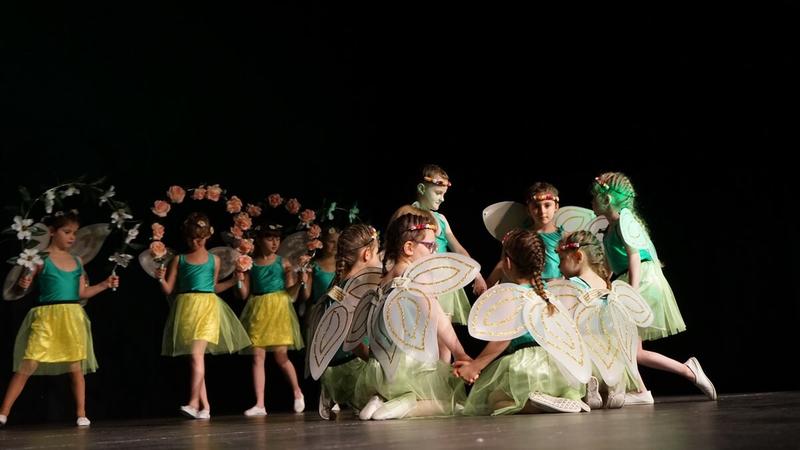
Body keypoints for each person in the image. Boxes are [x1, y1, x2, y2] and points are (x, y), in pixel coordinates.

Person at [591, 172, 716, 404]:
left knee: (626, 344)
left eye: (594, 196)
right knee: (632, 350)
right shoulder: (610, 229)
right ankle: (664, 381)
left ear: (607, 199)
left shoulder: (625, 223)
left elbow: (634, 257)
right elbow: (609, 266)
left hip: (643, 280)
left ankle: (648, 388)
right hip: (628, 281)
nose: (591, 200)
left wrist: (633, 293)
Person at [0, 212, 119, 427]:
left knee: (75, 366)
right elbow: (20, 287)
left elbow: (81, 293)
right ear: (53, 232)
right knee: (29, 362)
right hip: (46, 315)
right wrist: (22, 285)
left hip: (71, 316)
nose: (72, 237)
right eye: (67, 232)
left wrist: (104, 284)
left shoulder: (77, 260)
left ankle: (81, 413)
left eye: (74, 233)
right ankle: (3, 412)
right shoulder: (41, 258)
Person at [456, 229, 587, 415]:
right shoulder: (547, 294)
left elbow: (503, 339)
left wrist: (475, 366)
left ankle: (535, 405)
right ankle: (569, 397)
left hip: (527, 365)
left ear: (507, 263)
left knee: (494, 400)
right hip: (557, 366)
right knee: (555, 387)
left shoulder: (512, 295)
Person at [356, 212, 469, 420]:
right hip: (410, 369)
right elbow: (438, 318)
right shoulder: (416, 277)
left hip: (380, 371)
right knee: (454, 405)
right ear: (409, 248)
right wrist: (460, 353)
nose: (434, 252)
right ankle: (403, 405)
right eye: (430, 246)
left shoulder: (384, 279)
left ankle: (379, 399)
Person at [155, 212, 251, 420]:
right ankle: (205, 407)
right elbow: (168, 289)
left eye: (199, 238)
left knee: (197, 356)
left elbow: (213, 287)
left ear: (207, 237)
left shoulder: (214, 261)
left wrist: (234, 282)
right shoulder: (179, 260)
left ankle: (192, 402)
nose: (195, 242)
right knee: (195, 358)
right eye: (191, 238)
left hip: (208, 308)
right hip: (186, 309)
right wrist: (161, 280)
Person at [412, 164, 487, 361]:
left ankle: (442, 384)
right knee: (422, 338)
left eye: (444, 193)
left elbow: (458, 248)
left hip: (443, 283)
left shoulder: (442, 219)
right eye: (438, 192)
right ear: (421, 189)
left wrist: (476, 274)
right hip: (420, 282)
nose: (442, 198)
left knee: (444, 343)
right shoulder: (408, 214)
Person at [236, 222, 306, 416]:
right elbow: (243, 294)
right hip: (258, 309)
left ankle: (297, 392)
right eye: (270, 238)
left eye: (277, 238)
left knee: (281, 356)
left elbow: (291, 294)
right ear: (259, 240)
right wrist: (239, 276)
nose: (275, 242)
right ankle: (260, 404)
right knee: (258, 357)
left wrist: (300, 282)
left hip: (279, 309)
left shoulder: (283, 262)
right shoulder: (251, 263)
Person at [312, 224, 379, 419]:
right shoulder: (354, 287)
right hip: (352, 363)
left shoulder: (339, 283)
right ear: (367, 255)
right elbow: (352, 340)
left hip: (334, 365)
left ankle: (332, 391)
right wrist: (376, 363)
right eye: (376, 254)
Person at [486, 182, 565, 286]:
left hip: (557, 290)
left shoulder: (565, 238)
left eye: (547, 205)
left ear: (556, 207)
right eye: (536, 206)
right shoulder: (519, 238)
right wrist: (487, 286)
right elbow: (504, 264)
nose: (542, 211)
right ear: (528, 209)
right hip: (527, 292)